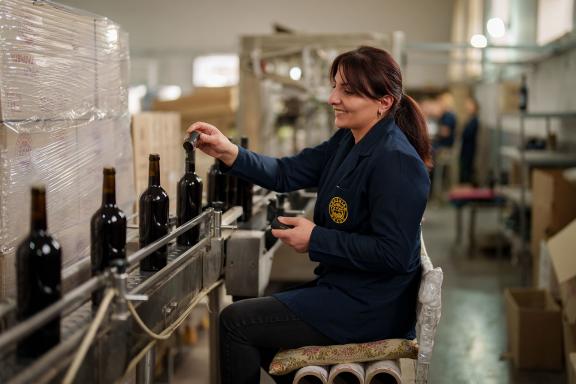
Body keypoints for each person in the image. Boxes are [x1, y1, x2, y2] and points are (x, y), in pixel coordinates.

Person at [188, 46, 431, 384]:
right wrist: (230, 152)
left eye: (347, 91)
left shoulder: (397, 163)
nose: (333, 98)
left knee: (237, 323)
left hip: (370, 306)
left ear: (384, 102)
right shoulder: (348, 141)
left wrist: (316, 238)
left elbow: (392, 254)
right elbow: (286, 173)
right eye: (334, 86)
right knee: (252, 328)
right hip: (346, 289)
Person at [459, 97, 479, 184]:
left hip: (470, 149)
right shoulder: (470, 119)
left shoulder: (474, 121)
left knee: (467, 170)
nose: (467, 107)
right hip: (465, 148)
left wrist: (462, 131)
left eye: (469, 105)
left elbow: (467, 134)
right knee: (464, 169)